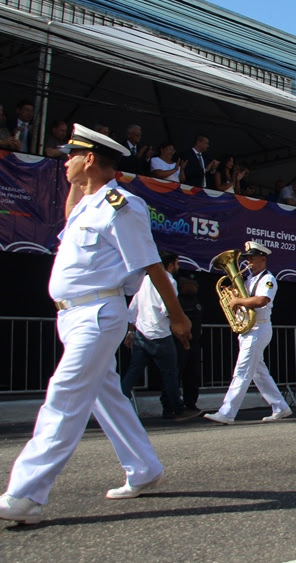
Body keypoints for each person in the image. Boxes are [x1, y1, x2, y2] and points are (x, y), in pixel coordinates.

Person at [0, 124, 192, 525]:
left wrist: (177, 316)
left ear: (88, 159)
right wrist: (79, 183)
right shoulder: (88, 205)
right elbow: (71, 211)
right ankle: (144, 467)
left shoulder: (122, 206)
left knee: (64, 397)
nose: (63, 161)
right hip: (71, 315)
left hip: (97, 315)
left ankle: (25, 495)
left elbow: (150, 263)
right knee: (106, 396)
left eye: (70, 155)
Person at [204, 242, 292, 424]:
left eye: (252, 258)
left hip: (259, 327)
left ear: (263, 258)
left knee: (242, 371)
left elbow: (261, 300)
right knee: (259, 372)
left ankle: (227, 412)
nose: (249, 262)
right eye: (247, 258)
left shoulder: (268, 279)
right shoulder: (248, 279)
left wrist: (238, 300)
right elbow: (243, 300)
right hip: (249, 329)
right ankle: (281, 406)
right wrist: (233, 296)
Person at [120, 251, 194, 419]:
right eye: (177, 263)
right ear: (170, 265)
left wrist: (131, 331)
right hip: (160, 335)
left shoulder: (143, 280)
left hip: (141, 333)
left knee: (133, 372)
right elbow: (168, 309)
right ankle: (177, 409)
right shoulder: (169, 281)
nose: (178, 267)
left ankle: (117, 402)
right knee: (170, 374)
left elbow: (132, 309)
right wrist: (182, 323)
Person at [175, 272, 204, 412]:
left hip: (195, 342)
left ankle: (191, 403)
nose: (194, 287)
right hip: (180, 341)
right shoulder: (177, 300)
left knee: (193, 375)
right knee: (177, 373)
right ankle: (175, 404)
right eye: (190, 285)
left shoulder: (196, 299)